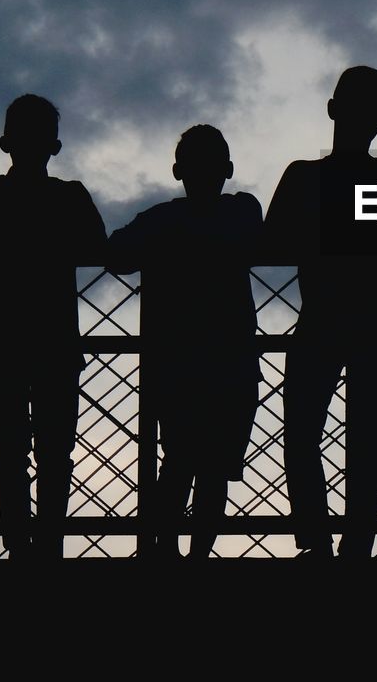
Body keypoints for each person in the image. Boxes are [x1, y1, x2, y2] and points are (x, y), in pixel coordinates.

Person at [264, 66, 377, 558]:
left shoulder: (303, 176)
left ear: (332, 108)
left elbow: (271, 244)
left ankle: (319, 542)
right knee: (366, 437)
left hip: (325, 316)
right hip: (371, 318)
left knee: (306, 432)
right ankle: (353, 543)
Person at [0, 94, 106, 559]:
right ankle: (48, 548)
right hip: (54, 336)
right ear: (54, 146)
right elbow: (97, 248)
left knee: (10, 447)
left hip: (2, 337)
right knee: (54, 451)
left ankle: (18, 546)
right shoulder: (68, 196)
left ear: (4, 143)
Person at [108, 125, 263, 559]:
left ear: (177, 170)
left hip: (176, 359)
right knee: (212, 469)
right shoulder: (239, 212)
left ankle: (166, 551)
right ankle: (191, 555)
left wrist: (168, 244)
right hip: (229, 359)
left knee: (179, 463)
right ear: (228, 170)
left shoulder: (163, 220)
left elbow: (117, 254)